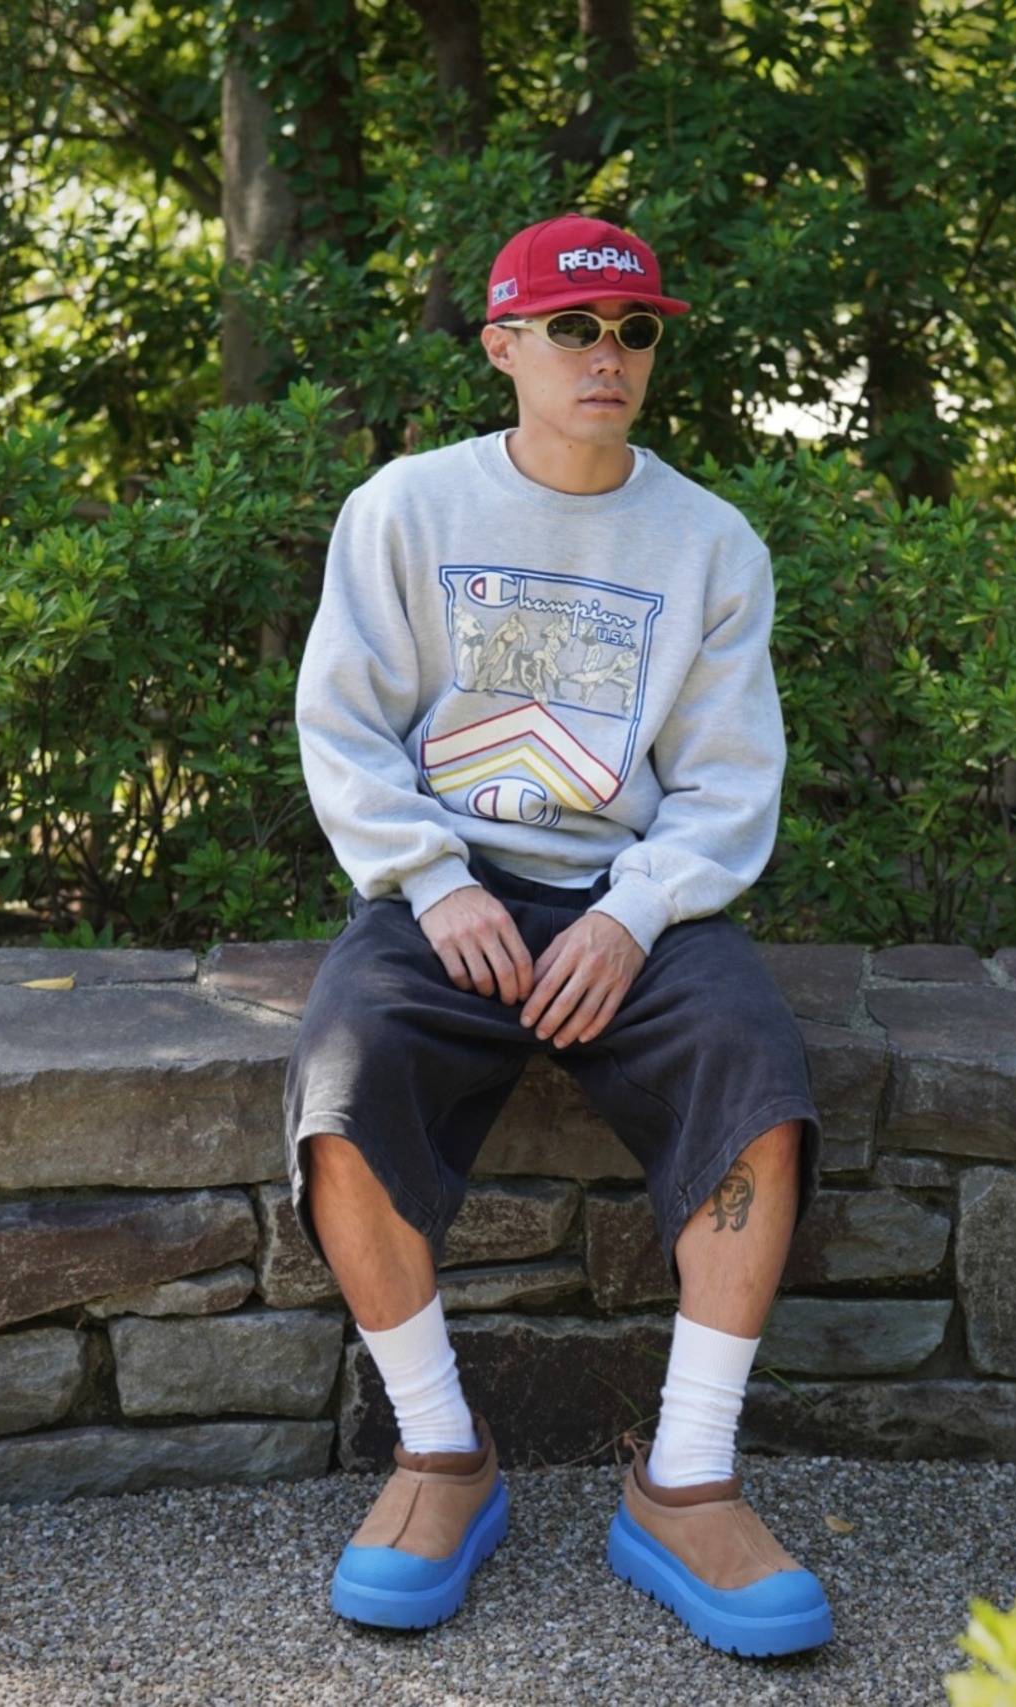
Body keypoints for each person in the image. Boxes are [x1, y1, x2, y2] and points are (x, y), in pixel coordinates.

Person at [284, 212, 832, 1659]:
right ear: (504, 345)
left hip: (636, 894)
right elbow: (344, 728)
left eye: (635, 330)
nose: (609, 355)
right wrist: (432, 880)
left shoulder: (709, 542)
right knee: (343, 1088)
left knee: (757, 1082)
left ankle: (687, 1484)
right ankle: (442, 1456)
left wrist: (635, 913)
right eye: (575, 328)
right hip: (446, 889)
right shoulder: (407, 511)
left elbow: (727, 784)